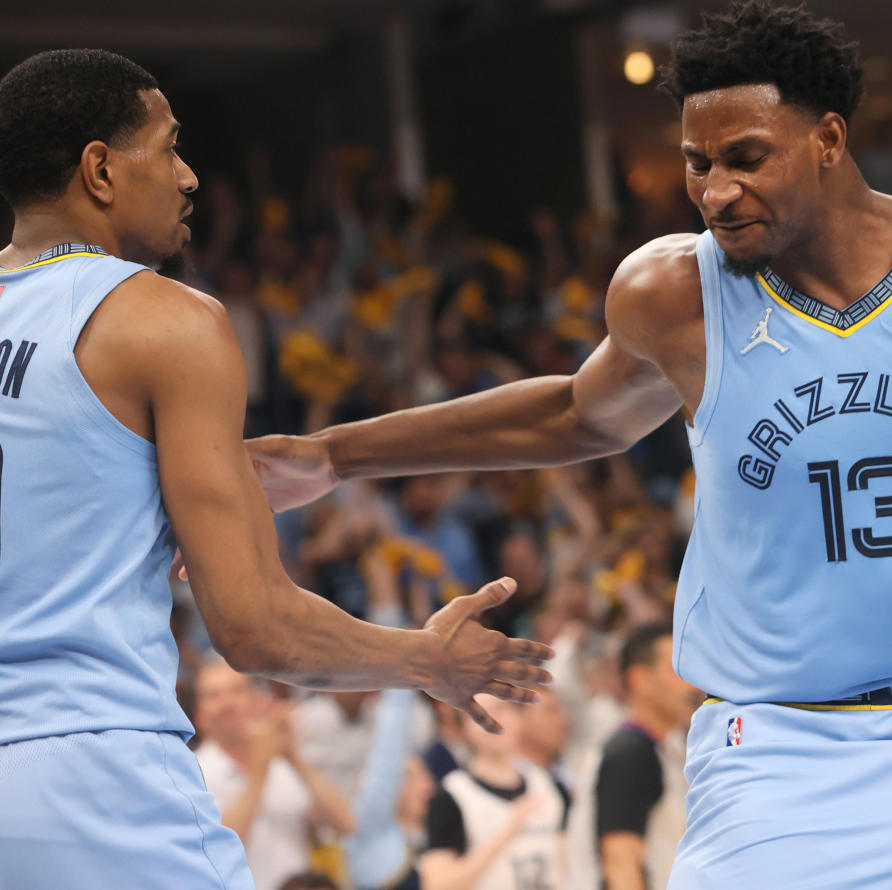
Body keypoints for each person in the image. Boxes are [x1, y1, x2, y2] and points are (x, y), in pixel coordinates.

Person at [245, 2, 892, 886]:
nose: (714, 190)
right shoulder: (671, 292)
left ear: (827, 140)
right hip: (782, 759)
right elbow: (571, 415)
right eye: (696, 162)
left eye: (743, 157)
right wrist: (337, 454)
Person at [0, 49, 551, 890]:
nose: (187, 177)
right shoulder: (162, 319)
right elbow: (257, 627)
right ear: (99, 170)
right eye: (168, 147)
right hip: (92, 777)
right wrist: (425, 660)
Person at [193, 659, 356, 890]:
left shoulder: (283, 766)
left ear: (255, 701)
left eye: (236, 690)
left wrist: (293, 756)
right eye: (213, 695)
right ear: (199, 716)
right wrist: (259, 769)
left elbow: (346, 824)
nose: (227, 703)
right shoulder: (192, 772)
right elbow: (218, 848)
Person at [567, 624, 696, 890]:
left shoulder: (656, 749)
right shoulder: (630, 753)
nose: (691, 684)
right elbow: (621, 864)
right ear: (640, 680)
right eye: (677, 670)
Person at [422, 694, 569, 890]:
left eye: (501, 708)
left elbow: (569, 865)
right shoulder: (452, 796)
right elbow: (437, 884)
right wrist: (505, 834)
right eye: (478, 714)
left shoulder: (549, 786)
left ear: (520, 717)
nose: (491, 720)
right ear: (463, 727)